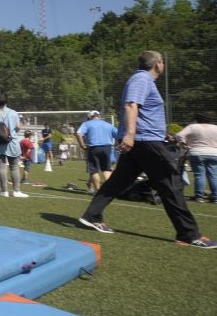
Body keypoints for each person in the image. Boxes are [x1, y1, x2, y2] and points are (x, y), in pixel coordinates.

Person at [78, 51, 215, 249]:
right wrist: (130, 135)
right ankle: (188, 234)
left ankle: (92, 215)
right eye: (163, 62)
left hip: (143, 141)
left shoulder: (143, 80)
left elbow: (144, 113)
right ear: (158, 64)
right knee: (171, 184)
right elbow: (131, 105)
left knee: (118, 182)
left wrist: (163, 134)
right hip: (145, 142)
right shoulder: (141, 79)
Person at [0, 92, 27, 198]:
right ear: (6, 101)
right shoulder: (13, 113)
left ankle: (4, 191)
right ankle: (16, 191)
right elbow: (18, 127)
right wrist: (11, 132)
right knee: (14, 166)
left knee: (1, 166)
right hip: (11, 142)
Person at [175, 113, 217, 203]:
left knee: (199, 175)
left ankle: (199, 196)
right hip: (214, 153)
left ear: (197, 120)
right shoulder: (215, 127)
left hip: (197, 152)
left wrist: (184, 144)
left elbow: (179, 135)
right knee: (213, 175)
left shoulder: (193, 127)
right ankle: (215, 197)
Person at [75, 110, 118, 193]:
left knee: (94, 170)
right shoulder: (108, 125)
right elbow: (119, 134)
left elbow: (78, 133)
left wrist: (82, 145)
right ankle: (110, 189)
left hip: (93, 148)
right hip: (107, 148)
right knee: (107, 169)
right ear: (99, 116)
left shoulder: (87, 124)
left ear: (89, 117)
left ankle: (98, 190)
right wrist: (116, 145)